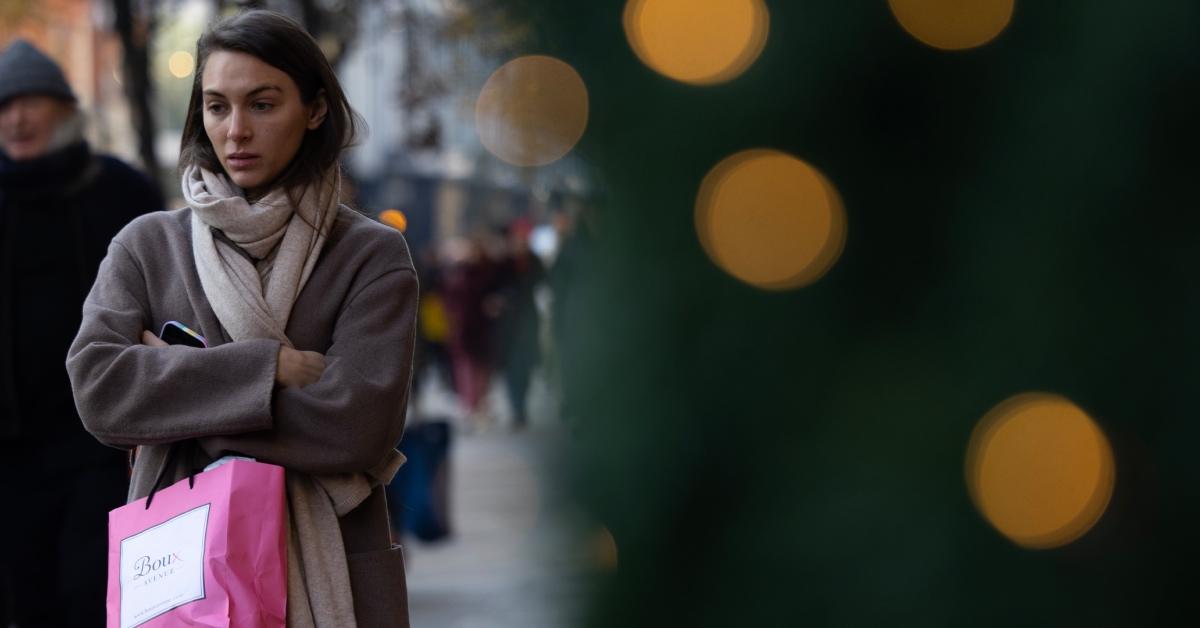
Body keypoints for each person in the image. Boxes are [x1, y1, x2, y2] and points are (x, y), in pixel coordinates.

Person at [66, 11, 416, 627]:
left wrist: (182, 393)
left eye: (262, 104)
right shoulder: (148, 247)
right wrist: (267, 370)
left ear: (314, 111)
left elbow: (357, 425)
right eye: (216, 106)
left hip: (331, 564)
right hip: (185, 569)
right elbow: (98, 389)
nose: (236, 131)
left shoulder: (369, 256)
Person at [0, 39, 162, 626]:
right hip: (10, 453)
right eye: (5, 106)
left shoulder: (118, 190)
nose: (17, 118)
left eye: (30, 103)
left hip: (100, 445)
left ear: (65, 110)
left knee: (92, 594)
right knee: (27, 597)